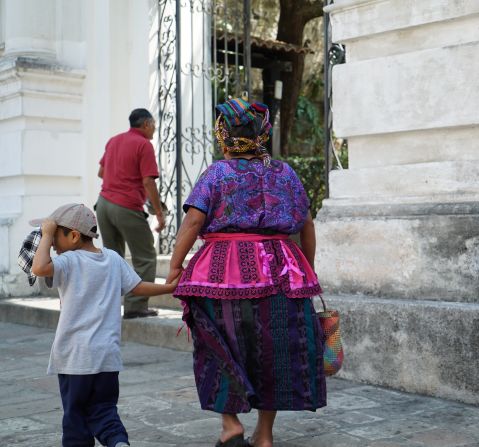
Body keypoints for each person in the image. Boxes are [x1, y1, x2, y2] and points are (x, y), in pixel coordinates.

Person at [167, 98, 326, 447]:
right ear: (262, 135)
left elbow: (194, 219)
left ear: (224, 136)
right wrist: (306, 268)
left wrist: (175, 264)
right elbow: (307, 222)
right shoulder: (284, 172)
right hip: (283, 270)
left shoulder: (217, 173)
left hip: (221, 273)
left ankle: (231, 425)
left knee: (216, 345)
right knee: (277, 351)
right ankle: (264, 435)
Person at [30, 203, 180, 447]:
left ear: (74, 236)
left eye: (56, 235)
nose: (53, 244)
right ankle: (118, 442)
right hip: (106, 357)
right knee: (104, 411)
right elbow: (138, 286)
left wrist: (45, 234)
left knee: (76, 417)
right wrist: (169, 288)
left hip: (74, 359)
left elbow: (38, 267)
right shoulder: (112, 258)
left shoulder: (68, 262)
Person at [96, 108, 165, 319]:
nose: (154, 128)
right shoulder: (144, 144)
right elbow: (148, 181)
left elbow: (101, 172)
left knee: (111, 258)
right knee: (144, 257)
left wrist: (119, 180)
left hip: (104, 205)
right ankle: (135, 307)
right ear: (145, 124)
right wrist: (159, 214)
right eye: (153, 124)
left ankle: (107, 305)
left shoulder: (114, 140)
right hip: (126, 206)